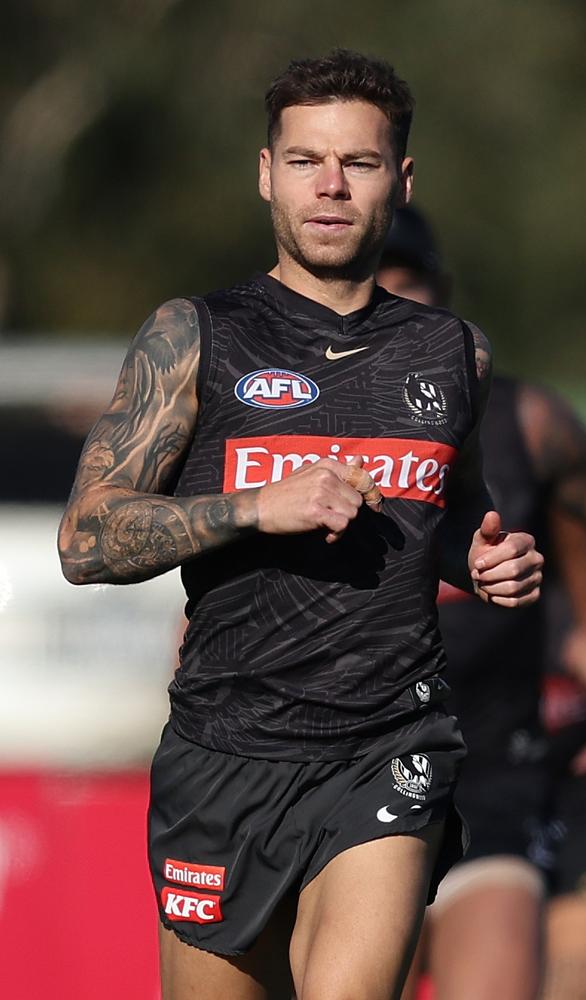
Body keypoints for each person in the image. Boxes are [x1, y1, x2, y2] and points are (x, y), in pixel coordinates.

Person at [57, 51, 543, 1000]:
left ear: (399, 181)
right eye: (305, 159)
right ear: (265, 172)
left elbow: (450, 513)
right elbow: (85, 540)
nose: (329, 186)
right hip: (225, 752)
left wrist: (483, 557)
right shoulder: (194, 335)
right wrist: (251, 508)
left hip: (386, 742)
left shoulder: (453, 352)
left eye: (357, 163)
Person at [378, 205, 586, 1000]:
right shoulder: (291, 419)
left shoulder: (524, 424)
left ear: (443, 295)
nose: (391, 315)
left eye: (408, 290)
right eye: (369, 295)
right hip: (338, 790)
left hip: (498, 786)